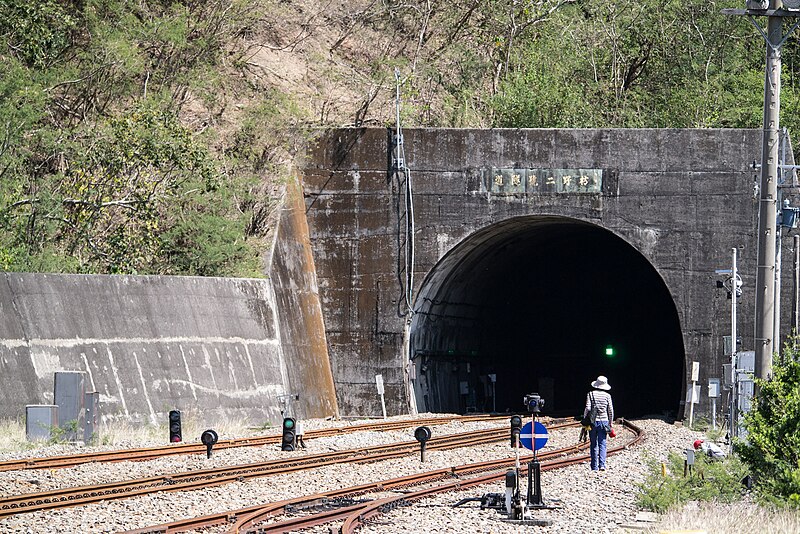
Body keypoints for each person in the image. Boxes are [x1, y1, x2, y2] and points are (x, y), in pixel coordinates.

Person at [583, 375, 614, 472]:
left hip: (592, 422)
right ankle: (602, 465)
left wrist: (585, 419)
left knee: (593, 444)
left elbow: (588, 408)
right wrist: (610, 422)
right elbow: (610, 411)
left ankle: (594, 467)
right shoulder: (607, 396)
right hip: (604, 422)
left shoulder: (590, 394)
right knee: (602, 443)